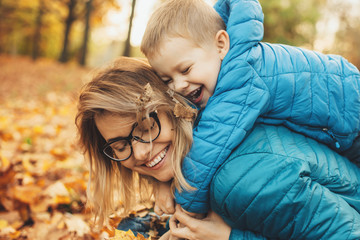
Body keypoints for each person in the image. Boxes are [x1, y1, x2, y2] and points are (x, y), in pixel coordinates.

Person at [76, 57, 360, 239]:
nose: (139, 153)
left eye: (146, 127)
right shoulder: (206, 165)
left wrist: (229, 238)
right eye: (120, 145)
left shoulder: (237, 179)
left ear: (177, 107)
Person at [140, 0, 360, 214]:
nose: (179, 85)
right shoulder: (218, 67)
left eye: (186, 69)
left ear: (221, 45)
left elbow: (210, 147)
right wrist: (160, 182)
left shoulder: (241, 75)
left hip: (352, 114)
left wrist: (183, 206)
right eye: (167, 80)